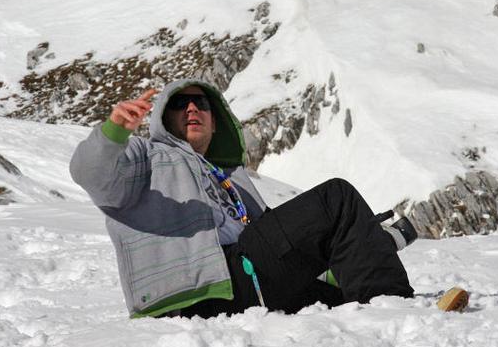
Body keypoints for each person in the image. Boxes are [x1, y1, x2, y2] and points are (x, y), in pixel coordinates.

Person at [70, 79, 416, 319]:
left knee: (341, 301)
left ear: (215, 121)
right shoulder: (145, 156)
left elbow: (281, 244)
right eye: (179, 103)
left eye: (201, 103)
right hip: (196, 292)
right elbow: (91, 174)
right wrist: (114, 130)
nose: (191, 109)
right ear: (164, 118)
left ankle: (378, 283)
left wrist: (357, 246)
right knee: (335, 199)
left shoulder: (230, 177)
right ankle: (395, 309)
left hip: (242, 283)